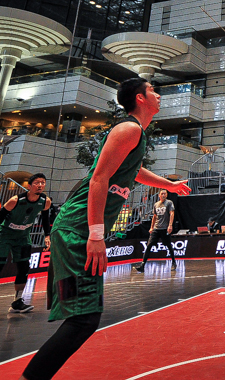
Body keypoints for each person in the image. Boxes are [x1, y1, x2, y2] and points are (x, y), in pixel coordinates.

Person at [21, 78, 191, 380]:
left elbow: (135, 171)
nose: (158, 94)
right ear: (140, 98)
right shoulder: (129, 129)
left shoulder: (136, 134)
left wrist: (169, 185)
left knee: (81, 316)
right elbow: (99, 179)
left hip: (74, 231)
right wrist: (96, 235)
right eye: (153, 89)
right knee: (84, 319)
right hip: (76, 231)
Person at [0, 173, 52, 313]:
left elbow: (45, 219)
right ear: (29, 186)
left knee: (24, 268)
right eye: (37, 183)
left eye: (42, 182)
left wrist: (47, 235)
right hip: (4, 235)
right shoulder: (15, 200)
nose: (40, 185)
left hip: (23, 237)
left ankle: (17, 302)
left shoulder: (45, 201)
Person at [133, 189, 176, 272]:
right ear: (159, 195)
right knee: (149, 245)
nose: (163, 195)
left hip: (164, 228)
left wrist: (170, 225)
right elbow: (154, 216)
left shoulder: (169, 203)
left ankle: (173, 262)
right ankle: (142, 265)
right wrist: (151, 227)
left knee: (168, 245)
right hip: (156, 228)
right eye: (162, 194)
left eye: (165, 194)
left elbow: (172, 213)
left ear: (167, 195)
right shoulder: (156, 204)